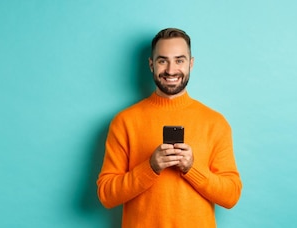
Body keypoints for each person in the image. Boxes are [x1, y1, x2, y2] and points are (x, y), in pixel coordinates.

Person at [96, 28, 242, 227]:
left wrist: (192, 168)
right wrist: (150, 168)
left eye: (179, 60)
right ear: (151, 64)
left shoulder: (215, 123)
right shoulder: (125, 121)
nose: (171, 70)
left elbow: (231, 196)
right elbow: (106, 195)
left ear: (191, 64)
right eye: (162, 60)